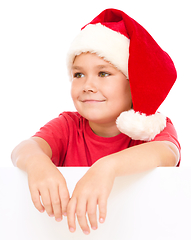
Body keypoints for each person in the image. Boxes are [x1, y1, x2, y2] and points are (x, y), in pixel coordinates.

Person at [11, 8, 181, 235]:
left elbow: (168, 153)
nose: (87, 85)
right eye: (78, 74)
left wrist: (106, 168)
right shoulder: (68, 126)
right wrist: (37, 163)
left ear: (133, 85)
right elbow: (23, 149)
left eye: (103, 73)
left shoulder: (151, 126)